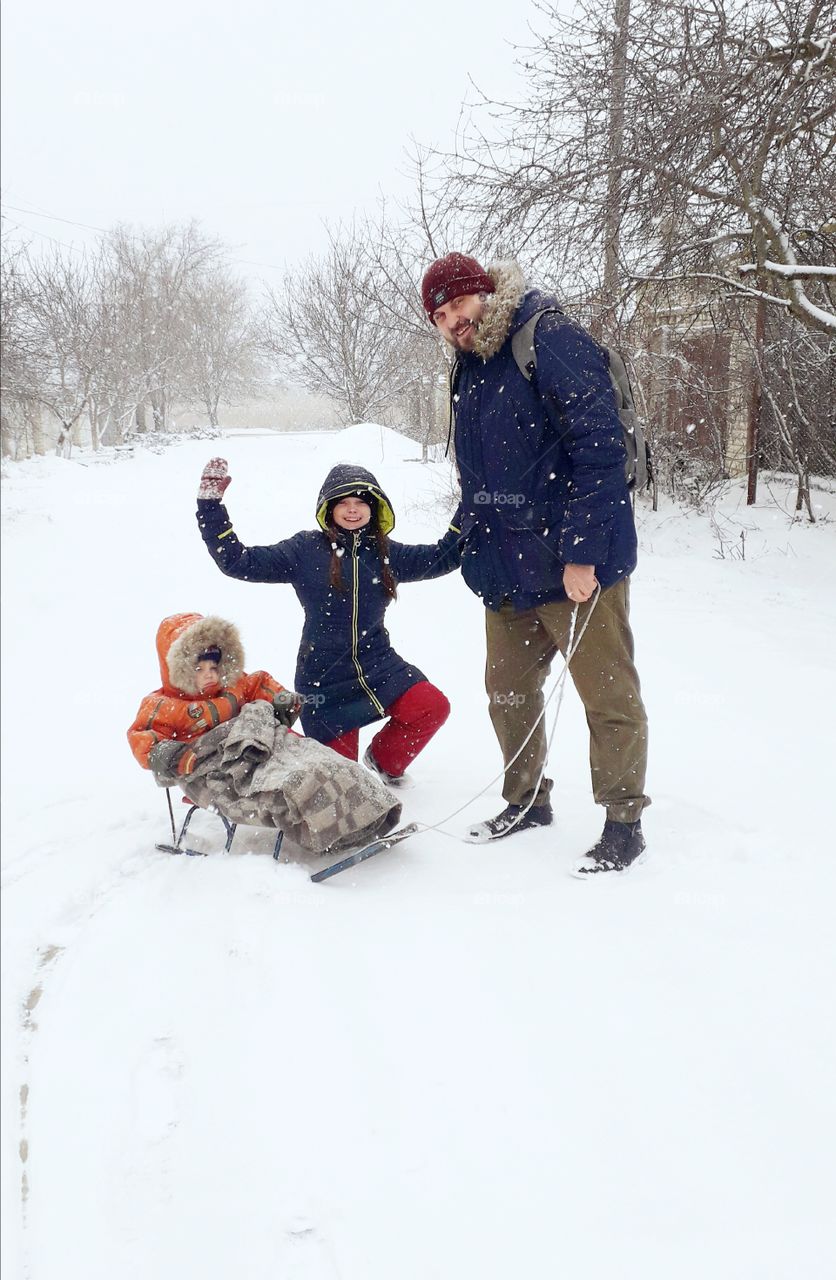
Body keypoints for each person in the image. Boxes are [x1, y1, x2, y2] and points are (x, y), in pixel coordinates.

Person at [420, 252, 649, 874]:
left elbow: (600, 456)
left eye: (458, 305)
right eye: (439, 316)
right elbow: (480, 478)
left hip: (574, 567)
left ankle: (624, 822)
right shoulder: (470, 370)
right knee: (508, 691)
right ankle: (527, 802)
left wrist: (581, 555)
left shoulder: (549, 339)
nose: (451, 322)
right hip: (505, 568)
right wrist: (459, 540)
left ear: (484, 292)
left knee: (606, 696)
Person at [196, 461, 462, 784]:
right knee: (342, 785)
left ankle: (384, 762)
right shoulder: (304, 550)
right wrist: (210, 506)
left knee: (431, 707)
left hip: (379, 667)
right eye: (344, 503)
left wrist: (470, 502)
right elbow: (236, 560)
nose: (352, 510)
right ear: (329, 508)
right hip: (324, 682)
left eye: (361, 502)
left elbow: (444, 556)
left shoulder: (385, 552)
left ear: (374, 507)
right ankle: (353, 775)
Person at [127, 612, 401, 855]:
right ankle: (330, 832)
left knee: (329, 764)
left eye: (214, 667)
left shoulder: (236, 684)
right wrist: (165, 754)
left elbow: (263, 686)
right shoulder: (163, 705)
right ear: (180, 670)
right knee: (299, 784)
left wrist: (281, 701)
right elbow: (142, 735)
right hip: (214, 769)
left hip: (265, 747)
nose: (210, 675)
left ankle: (369, 819)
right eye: (199, 669)